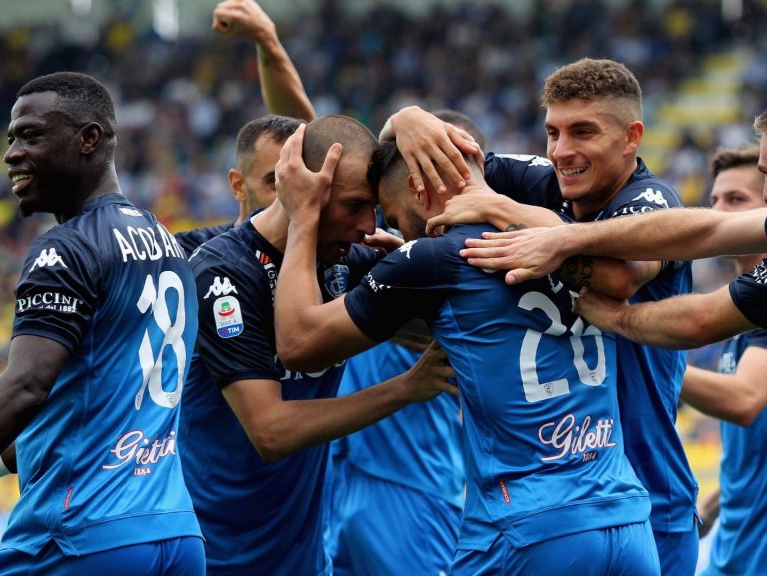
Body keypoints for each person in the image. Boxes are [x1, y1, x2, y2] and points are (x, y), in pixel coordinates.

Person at [462, 77, 767, 574]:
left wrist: (615, 315)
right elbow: (709, 229)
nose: (766, 192)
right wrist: (570, 238)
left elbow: (703, 320)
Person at [272, 128, 658, 574]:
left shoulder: (435, 259)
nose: (398, 232)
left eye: (397, 219)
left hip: (527, 525)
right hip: (626, 517)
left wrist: (302, 217)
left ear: (419, 188)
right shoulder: (560, 231)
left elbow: (299, 344)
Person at [394, 58, 700, 574]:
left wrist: (497, 209)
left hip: (650, 499)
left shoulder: (650, 200)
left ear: (632, 138)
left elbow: (623, 275)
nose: (562, 151)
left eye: (583, 132)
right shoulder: (542, 181)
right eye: (553, 133)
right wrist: (406, 118)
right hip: (551, 502)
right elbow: (434, 167)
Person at [179, 114, 456, 576]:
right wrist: (405, 388)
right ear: (308, 195)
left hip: (302, 556)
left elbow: (424, 329)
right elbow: (271, 432)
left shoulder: (350, 259)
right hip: (216, 554)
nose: (369, 225)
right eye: (354, 206)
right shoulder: (222, 273)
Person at [0, 71, 204, 574]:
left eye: (31, 135)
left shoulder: (69, 246)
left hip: (80, 537)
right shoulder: (168, 246)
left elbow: (27, 386)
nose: (12, 153)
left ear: (88, 139)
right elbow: (81, 404)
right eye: (11, 139)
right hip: (176, 535)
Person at [325, 108, 481, 576]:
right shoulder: (387, 259)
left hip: (412, 487)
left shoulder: (461, 263)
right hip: (344, 476)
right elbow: (322, 145)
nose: (385, 224)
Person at [679, 144, 767, 576]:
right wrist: (712, 504)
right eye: (713, 201)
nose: (718, 213)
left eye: (736, 200)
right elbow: (765, 447)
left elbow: (744, 399)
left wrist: (648, 362)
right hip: (733, 550)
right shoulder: (740, 311)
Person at [176, 0, 316, 254]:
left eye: (298, 181)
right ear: (238, 186)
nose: (291, 197)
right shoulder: (192, 252)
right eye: (274, 183)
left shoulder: (330, 253)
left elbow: (309, 135)